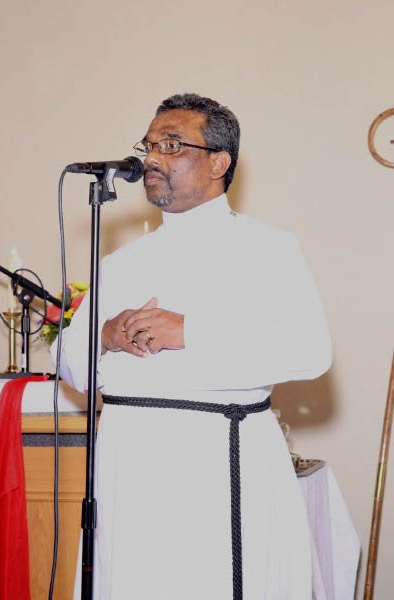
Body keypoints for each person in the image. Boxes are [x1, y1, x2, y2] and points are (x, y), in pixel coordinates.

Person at [55, 93, 332, 600]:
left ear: (219, 163)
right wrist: (104, 335)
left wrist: (190, 332)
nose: (151, 158)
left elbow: (310, 351)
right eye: (149, 145)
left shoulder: (268, 248)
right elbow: (70, 367)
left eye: (172, 145)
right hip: (128, 470)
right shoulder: (120, 263)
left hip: (215, 468)